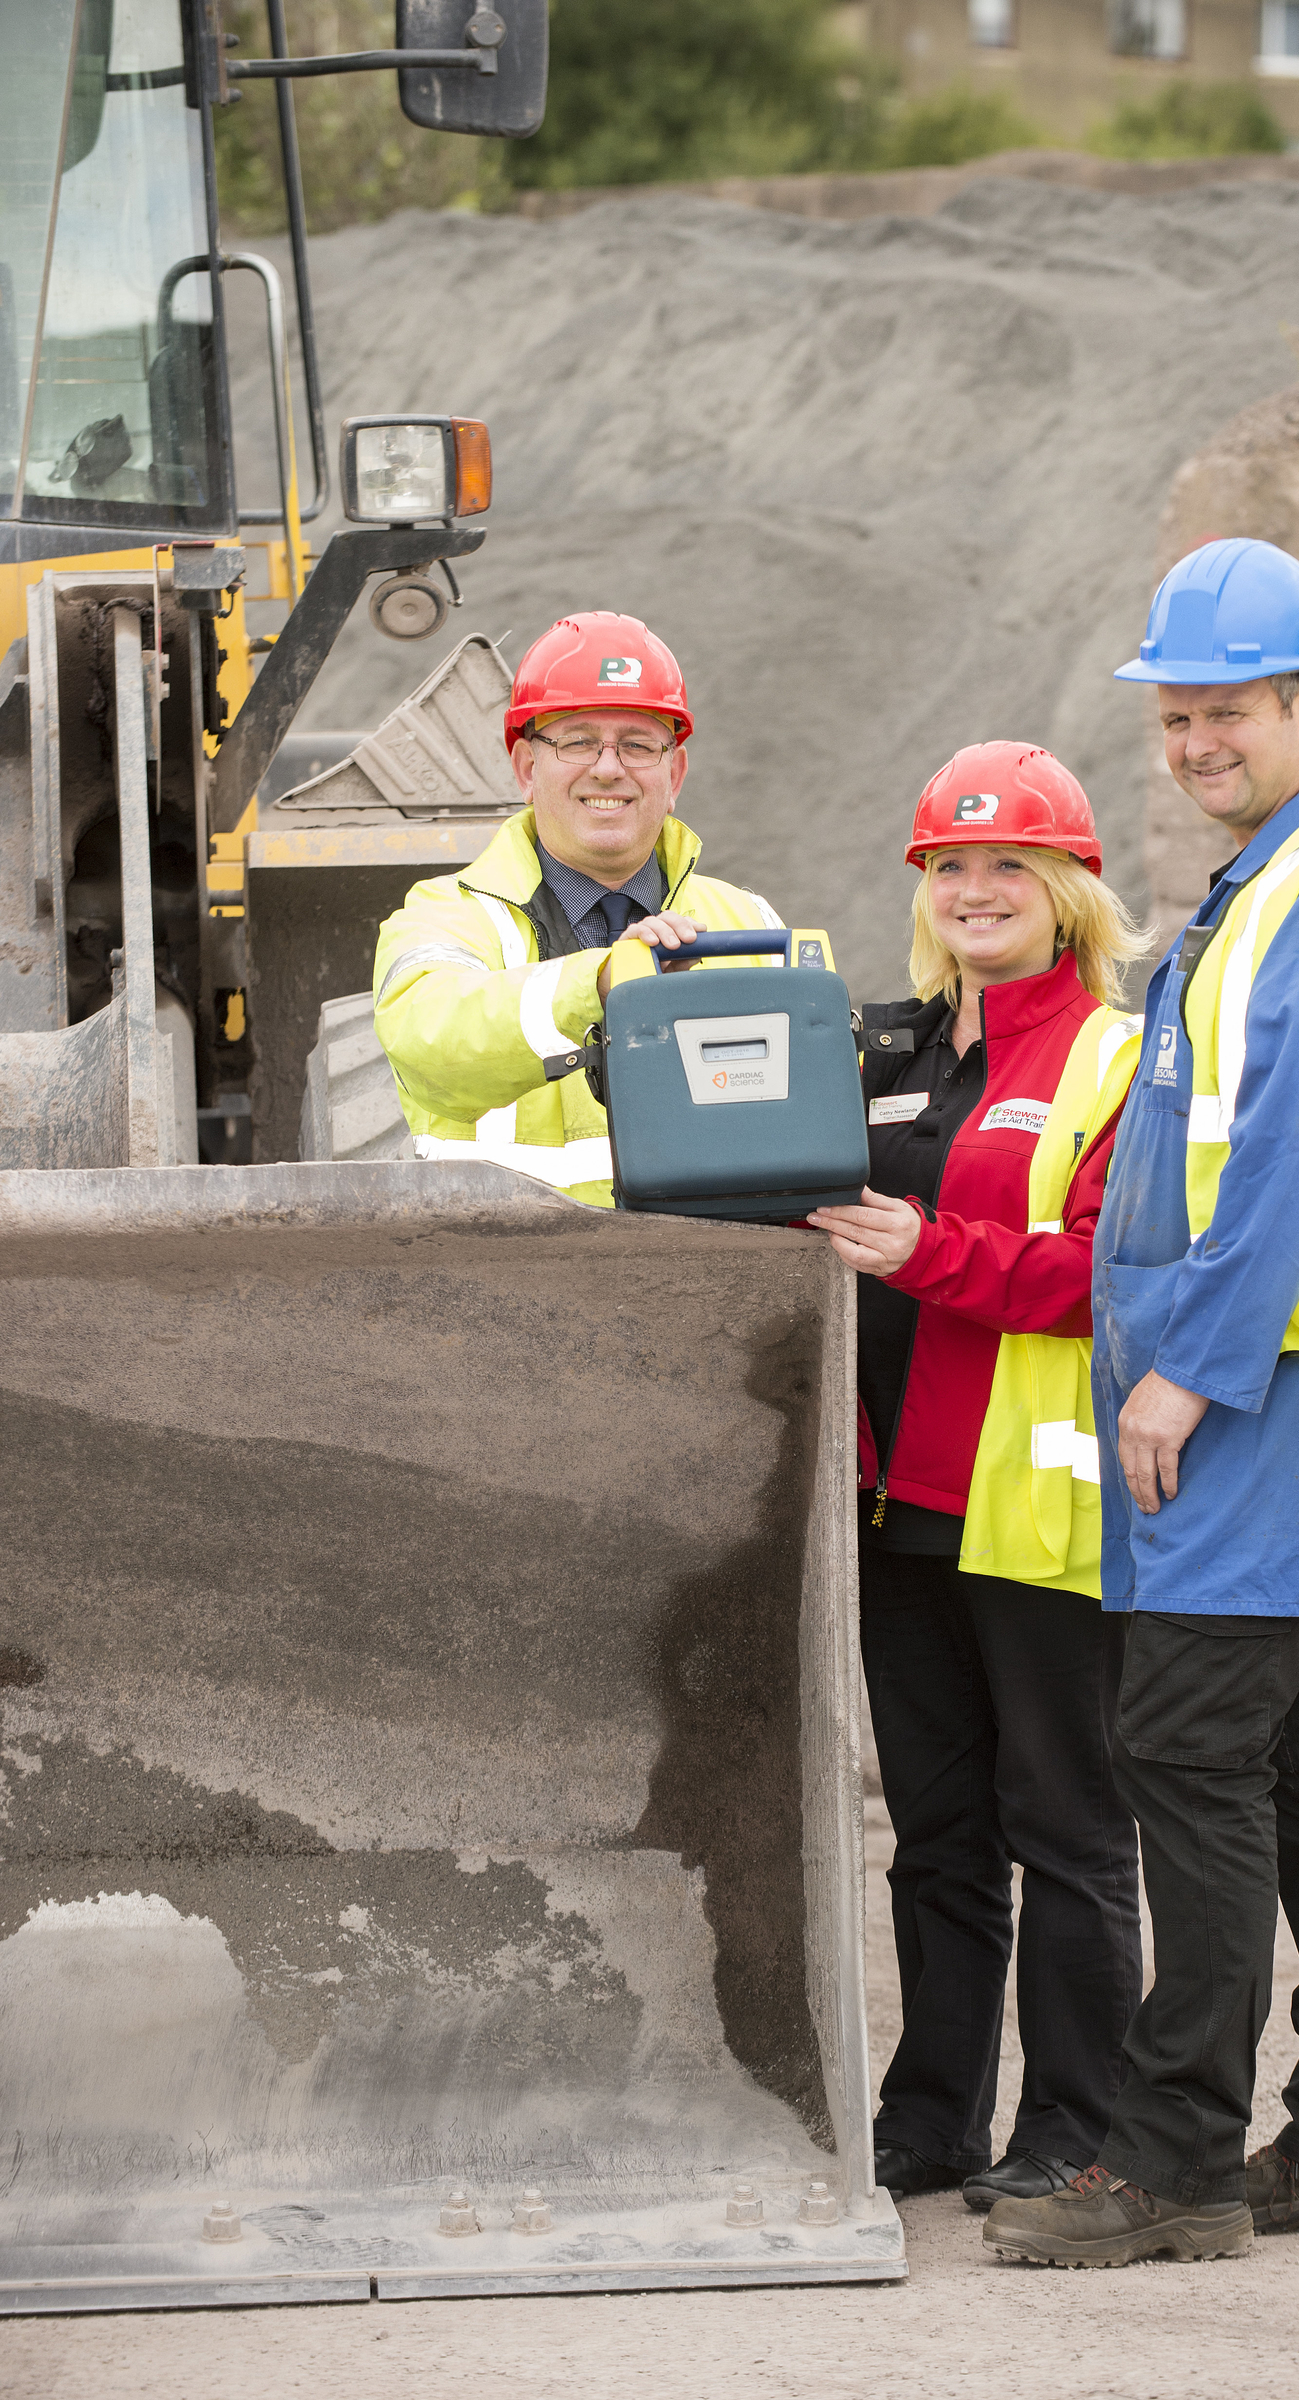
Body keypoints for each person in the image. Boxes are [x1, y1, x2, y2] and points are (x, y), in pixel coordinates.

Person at [985, 538, 1299, 2272]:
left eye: (1225, 712)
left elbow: (1286, 1157)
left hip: (1289, 1392)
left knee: (1184, 1749)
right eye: (1176, 715)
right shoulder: (1278, 878)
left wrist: (1187, 1368)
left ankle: (1175, 2158)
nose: (1194, 741)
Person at [809, 744, 1150, 2213]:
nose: (974, 887)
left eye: (1009, 862)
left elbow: (1115, 1275)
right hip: (894, 1510)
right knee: (937, 1840)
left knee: (1067, 1832)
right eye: (948, 864)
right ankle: (932, 2116)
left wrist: (929, 1255)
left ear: (1069, 888)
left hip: (1036, 1506)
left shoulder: (1114, 1057)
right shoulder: (890, 1058)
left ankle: (1079, 2126)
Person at [374, 611, 783, 1200]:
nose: (609, 768)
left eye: (638, 745)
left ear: (676, 774)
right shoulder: (446, 915)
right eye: (577, 741)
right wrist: (602, 978)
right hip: (505, 1277)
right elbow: (430, 1045)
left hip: (709, 1276)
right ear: (525, 768)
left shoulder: (753, 921)